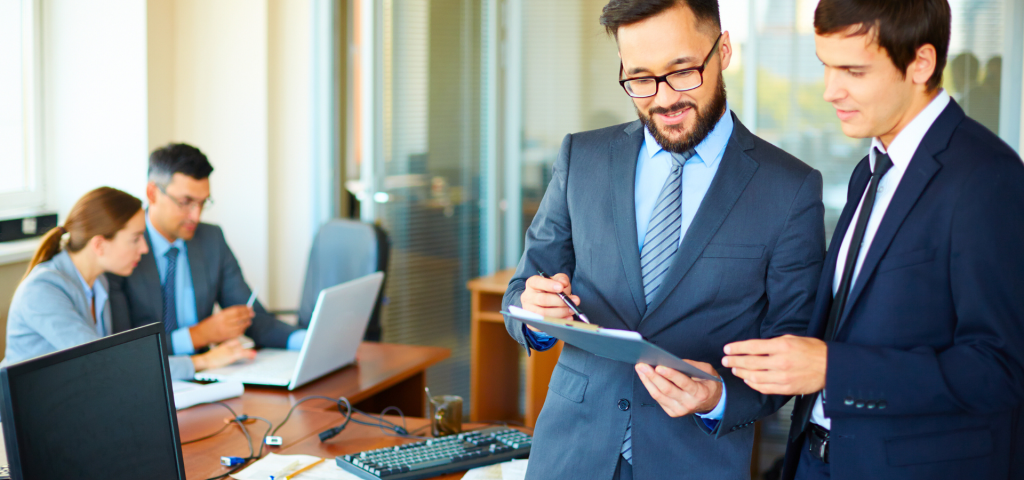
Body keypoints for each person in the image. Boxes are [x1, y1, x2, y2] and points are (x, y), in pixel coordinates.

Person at [501, 0, 826, 478]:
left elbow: (791, 347)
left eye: (682, 72)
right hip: (569, 455)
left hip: (695, 459)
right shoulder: (581, 158)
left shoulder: (789, 188)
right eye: (640, 78)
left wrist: (719, 397)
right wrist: (537, 316)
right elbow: (520, 293)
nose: (665, 98)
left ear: (724, 50)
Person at [722, 1, 1024, 479]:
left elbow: (1001, 368)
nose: (830, 90)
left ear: (920, 63)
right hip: (815, 460)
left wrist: (834, 370)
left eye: (853, 71)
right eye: (826, 66)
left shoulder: (988, 178)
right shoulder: (870, 172)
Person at [2, 187, 240, 379]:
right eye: (135, 239)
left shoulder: (100, 284)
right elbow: (106, 361)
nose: (144, 249)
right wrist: (203, 361)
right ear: (99, 245)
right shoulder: (43, 290)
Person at [107, 143, 305, 361]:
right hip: (150, 373)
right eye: (185, 202)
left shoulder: (211, 239)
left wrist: (307, 341)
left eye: (203, 203)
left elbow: (254, 319)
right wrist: (199, 335)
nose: (196, 216)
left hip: (209, 374)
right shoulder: (122, 247)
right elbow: (123, 345)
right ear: (152, 193)